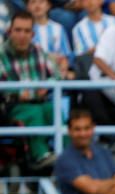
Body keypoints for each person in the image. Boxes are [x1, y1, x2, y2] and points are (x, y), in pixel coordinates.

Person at [0, 10, 62, 170]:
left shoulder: (39, 51)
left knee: (54, 110)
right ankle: (40, 156)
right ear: (10, 32)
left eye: (27, 31)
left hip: (40, 102)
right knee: (34, 113)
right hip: (13, 106)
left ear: (32, 33)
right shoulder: (1, 55)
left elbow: (56, 75)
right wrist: (18, 93)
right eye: (18, 30)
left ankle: (67, 156)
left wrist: (47, 85)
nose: (22, 35)